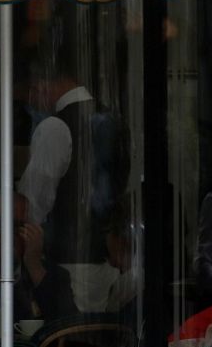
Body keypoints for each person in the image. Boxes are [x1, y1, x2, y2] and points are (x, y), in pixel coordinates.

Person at [18, 59, 130, 311]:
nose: (34, 99)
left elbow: (34, 201)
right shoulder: (114, 122)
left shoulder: (55, 127)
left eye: (34, 89)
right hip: (106, 265)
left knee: (70, 341)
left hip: (66, 266)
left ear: (47, 82)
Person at [0, 192, 78, 326]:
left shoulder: (47, 276)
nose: (5, 234)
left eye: (15, 226)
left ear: (32, 232)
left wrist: (34, 266)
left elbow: (70, 332)